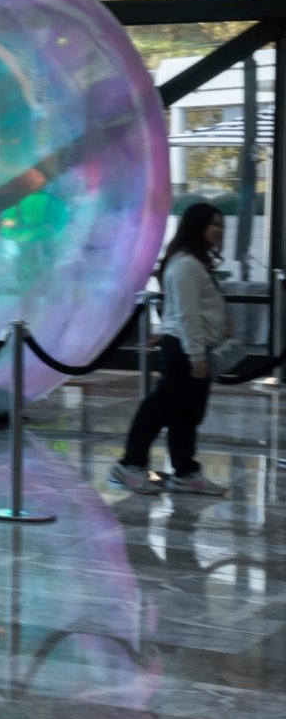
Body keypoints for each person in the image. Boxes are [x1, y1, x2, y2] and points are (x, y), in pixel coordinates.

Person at [112, 201, 231, 497]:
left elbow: (179, 308)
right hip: (188, 350)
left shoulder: (193, 263)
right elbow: (188, 314)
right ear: (196, 226)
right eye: (213, 224)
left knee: (187, 414)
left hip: (188, 344)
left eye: (220, 225)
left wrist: (169, 333)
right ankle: (130, 465)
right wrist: (196, 355)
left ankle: (185, 472)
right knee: (159, 409)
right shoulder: (187, 266)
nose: (218, 231)